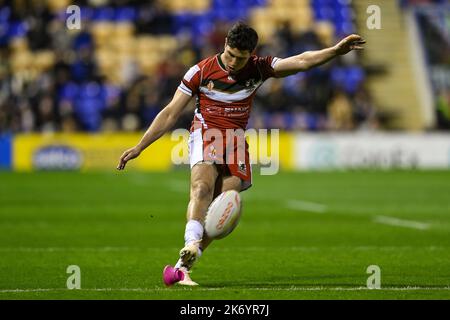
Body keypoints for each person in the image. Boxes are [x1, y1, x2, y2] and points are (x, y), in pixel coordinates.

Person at [117, 22, 365, 286]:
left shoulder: (259, 68)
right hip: (206, 133)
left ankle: (183, 265)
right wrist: (140, 146)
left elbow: (302, 61)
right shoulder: (200, 71)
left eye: (241, 57)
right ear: (225, 43)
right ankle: (190, 242)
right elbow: (170, 112)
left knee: (223, 207)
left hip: (235, 142)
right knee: (201, 188)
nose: (234, 62)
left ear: (251, 54)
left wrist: (335, 51)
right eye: (231, 54)